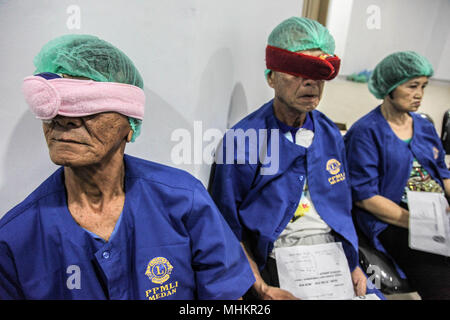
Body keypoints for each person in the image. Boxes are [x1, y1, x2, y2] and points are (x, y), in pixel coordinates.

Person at [0, 34, 254, 300]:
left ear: (130, 126)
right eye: (51, 106)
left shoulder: (185, 201)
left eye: (86, 106)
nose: (64, 120)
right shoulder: (15, 240)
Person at [209, 17, 383, 300]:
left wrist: (353, 265)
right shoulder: (243, 141)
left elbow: (341, 210)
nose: (311, 81)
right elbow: (228, 229)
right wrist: (260, 287)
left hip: (336, 259)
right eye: (298, 70)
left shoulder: (330, 134)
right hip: (281, 260)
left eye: (319, 71)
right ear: (271, 77)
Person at [344, 51, 450, 300]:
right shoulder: (366, 133)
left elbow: (443, 174)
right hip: (393, 220)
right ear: (388, 87)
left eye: (423, 86)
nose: (419, 94)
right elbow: (365, 197)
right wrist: (421, 223)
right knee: (440, 280)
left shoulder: (423, 126)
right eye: (412, 86)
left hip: (436, 213)